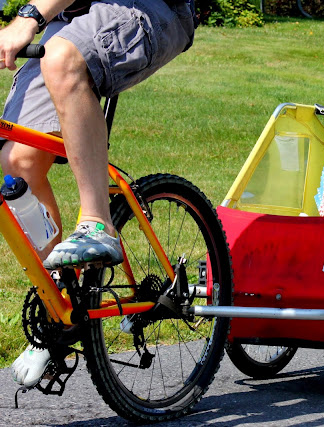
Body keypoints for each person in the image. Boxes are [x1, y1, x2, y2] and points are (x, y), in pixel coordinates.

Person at [0, 0, 196, 388]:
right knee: (17, 164)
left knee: (62, 59)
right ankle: (60, 304)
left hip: (147, 6)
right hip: (67, 15)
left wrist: (28, 17)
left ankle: (97, 222)